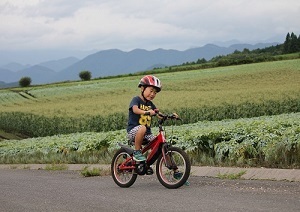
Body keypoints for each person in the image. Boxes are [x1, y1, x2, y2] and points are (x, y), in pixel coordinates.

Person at [127, 75, 162, 162]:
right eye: (151, 91)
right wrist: (147, 112)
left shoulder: (150, 104)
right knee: (142, 127)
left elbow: (158, 113)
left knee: (159, 144)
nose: (153, 94)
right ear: (142, 88)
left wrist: (169, 116)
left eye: (155, 93)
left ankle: (174, 168)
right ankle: (137, 152)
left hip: (147, 134)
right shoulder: (136, 99)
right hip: (133, 132)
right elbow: (135, 109)